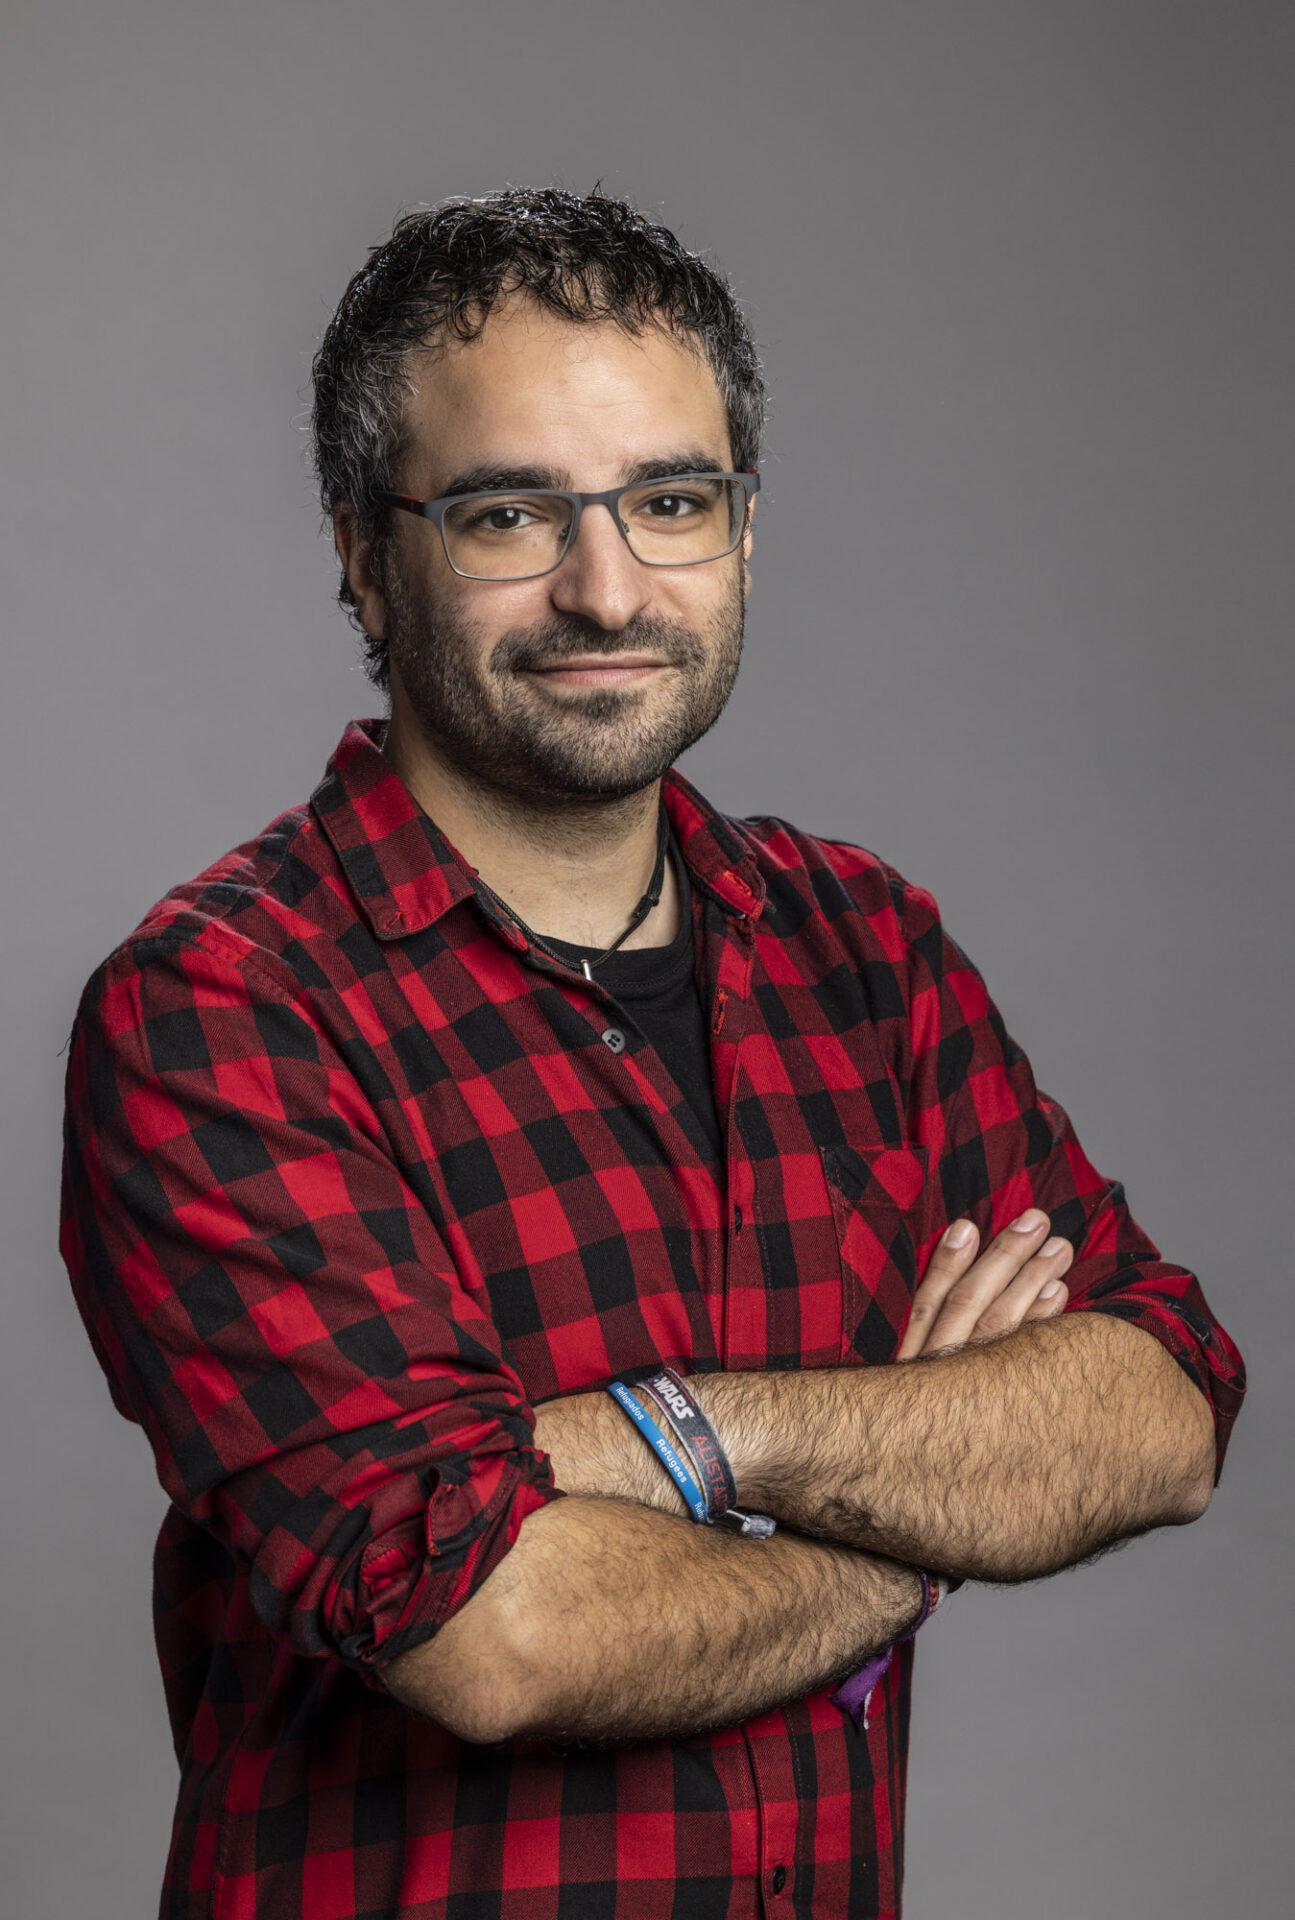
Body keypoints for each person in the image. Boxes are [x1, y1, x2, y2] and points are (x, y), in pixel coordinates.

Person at [59, 185, 1245, 1920]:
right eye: (509, 513)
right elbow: (490, 1630)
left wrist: (677, 1440)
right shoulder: (225, 1008)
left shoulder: (865, 950)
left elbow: (1165, 1406)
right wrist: (919, 1510)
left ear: (743, 531)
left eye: (671, 503)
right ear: (363, 554)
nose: (605, 588)